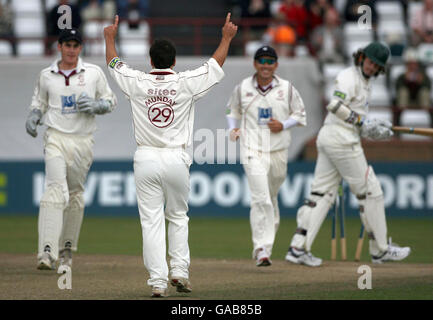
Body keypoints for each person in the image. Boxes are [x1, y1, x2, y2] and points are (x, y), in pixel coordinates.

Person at [103, 14, 237, 297]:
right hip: (176, 158)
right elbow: (215, 64)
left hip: (146, 158)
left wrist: (109, 38)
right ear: (174, 62)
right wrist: (226, 38)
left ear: (150, 61)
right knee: (177, 216)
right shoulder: (185, 83)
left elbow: (114, 63)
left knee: (151, 221)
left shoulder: (137, 82)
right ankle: (179, 271)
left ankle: (157, 283)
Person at [285, 42, 411, 267]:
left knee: (321, 194)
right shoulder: (348, 77)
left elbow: (357, 119)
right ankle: (381, 250)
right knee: (371, 191)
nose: (372, 67)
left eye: (377, 65)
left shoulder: (365, 83)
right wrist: (363, 122)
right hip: (342, 141)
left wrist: (376, 131)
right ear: (362, 57)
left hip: (334, 138)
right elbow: (334, 105)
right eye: (370, 61)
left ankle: (298, 248)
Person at [26, 28, 117, 270]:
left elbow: (111, 101)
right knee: (55, 190)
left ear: (81, 48)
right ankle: (46, 251)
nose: (71, 50)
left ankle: (66, 248)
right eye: (67, 45)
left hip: (83, 140)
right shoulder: (46, 75)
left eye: (75, 45)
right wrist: (34, 115)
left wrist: (98, 105)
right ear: (59, 47)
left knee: (75, 194)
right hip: (55, 138)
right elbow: (39, 102)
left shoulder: (93, 73)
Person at [226, 45, 307, 267]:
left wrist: (283, 124)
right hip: (252, 149)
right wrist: (233, 128)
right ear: (255, 64)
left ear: (276, 65)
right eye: (261, 61)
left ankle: (265, 246)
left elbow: (300, 115)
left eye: (270, 61)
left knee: (270, 198)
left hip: (279, 150)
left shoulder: (287, 89)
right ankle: (262, 249)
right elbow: (232, 111)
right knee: (260, 198)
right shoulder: (243, 88)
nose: (265, 65)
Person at [394, 47, 433, 127]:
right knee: (402, 92)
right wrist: (405, 80)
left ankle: (429, 125)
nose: (412, 66)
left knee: (424, 93)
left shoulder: (424, 76)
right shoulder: (401, 76)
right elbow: (397, 88)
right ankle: (399, 124)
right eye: (410, 64)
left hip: (420, 102)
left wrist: (421, 82)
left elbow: (428, 88)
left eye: (414, 64)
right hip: (405, 103)